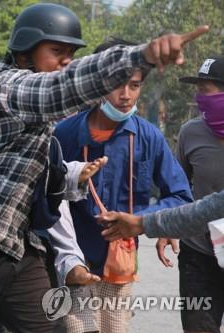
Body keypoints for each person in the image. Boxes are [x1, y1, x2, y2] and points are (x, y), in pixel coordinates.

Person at [0, 2, 208, 331]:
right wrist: (141, 56)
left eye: (70, 54)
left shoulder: (143, 135)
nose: (65, 62)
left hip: (17, 248)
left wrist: (73, 176)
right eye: (56, 51)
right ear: (25, 51)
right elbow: (64, 87)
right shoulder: (11, 89)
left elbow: (44, 177)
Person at [53, 38, 194, 332]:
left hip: (118, 266)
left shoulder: (148, 137)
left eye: (134, 85)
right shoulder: (64, 134)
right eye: (117, 83)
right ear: (95, 83)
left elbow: (181, 196)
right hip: (71, 262)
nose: (126, 95)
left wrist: (145, 221)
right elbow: (43, 195)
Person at [102, 55, 224, 333]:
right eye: (199, 91)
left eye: (208, 91)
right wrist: (169, 228)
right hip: (199, 251)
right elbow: (178, 189)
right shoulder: (190, 133)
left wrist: (149, 223)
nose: (201, 98)